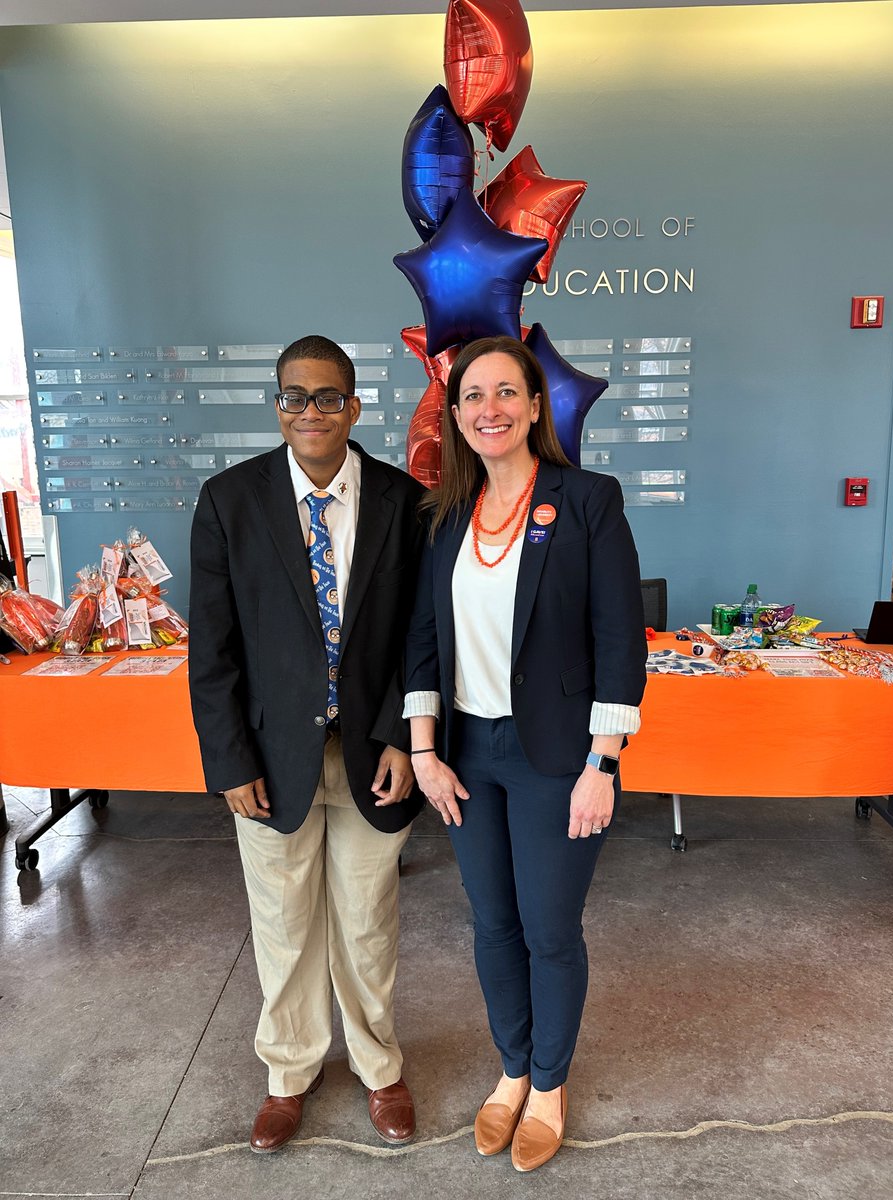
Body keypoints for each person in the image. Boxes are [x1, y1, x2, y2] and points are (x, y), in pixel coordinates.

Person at [404, 335, 647, 1172]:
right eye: (473, 397)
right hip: (468, 755)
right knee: (493, 925)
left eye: (507, 393)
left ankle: (549, 1084)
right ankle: (510, 1071)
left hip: (556, 757)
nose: (490, 409)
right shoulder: (445, 519)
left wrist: (601, 765)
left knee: (549, 929)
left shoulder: (587, 501)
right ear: (458, 414)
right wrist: (425, 751)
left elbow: (620, 641)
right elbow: (424, 643)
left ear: (536, 406)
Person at [189, 335, 425, 1152]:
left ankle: (376, 1063)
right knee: (284, 923)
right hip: (268, 759)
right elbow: (211, 650)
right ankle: (290, 1071)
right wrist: (228, 762)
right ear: (278, 405)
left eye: (329, 397)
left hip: (371, 753)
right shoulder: (229, 501)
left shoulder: (405, 501)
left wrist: (405, 733)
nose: (311, 411)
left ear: (355, 407)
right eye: (295, 396)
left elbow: (419, 638)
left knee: (366, 921)